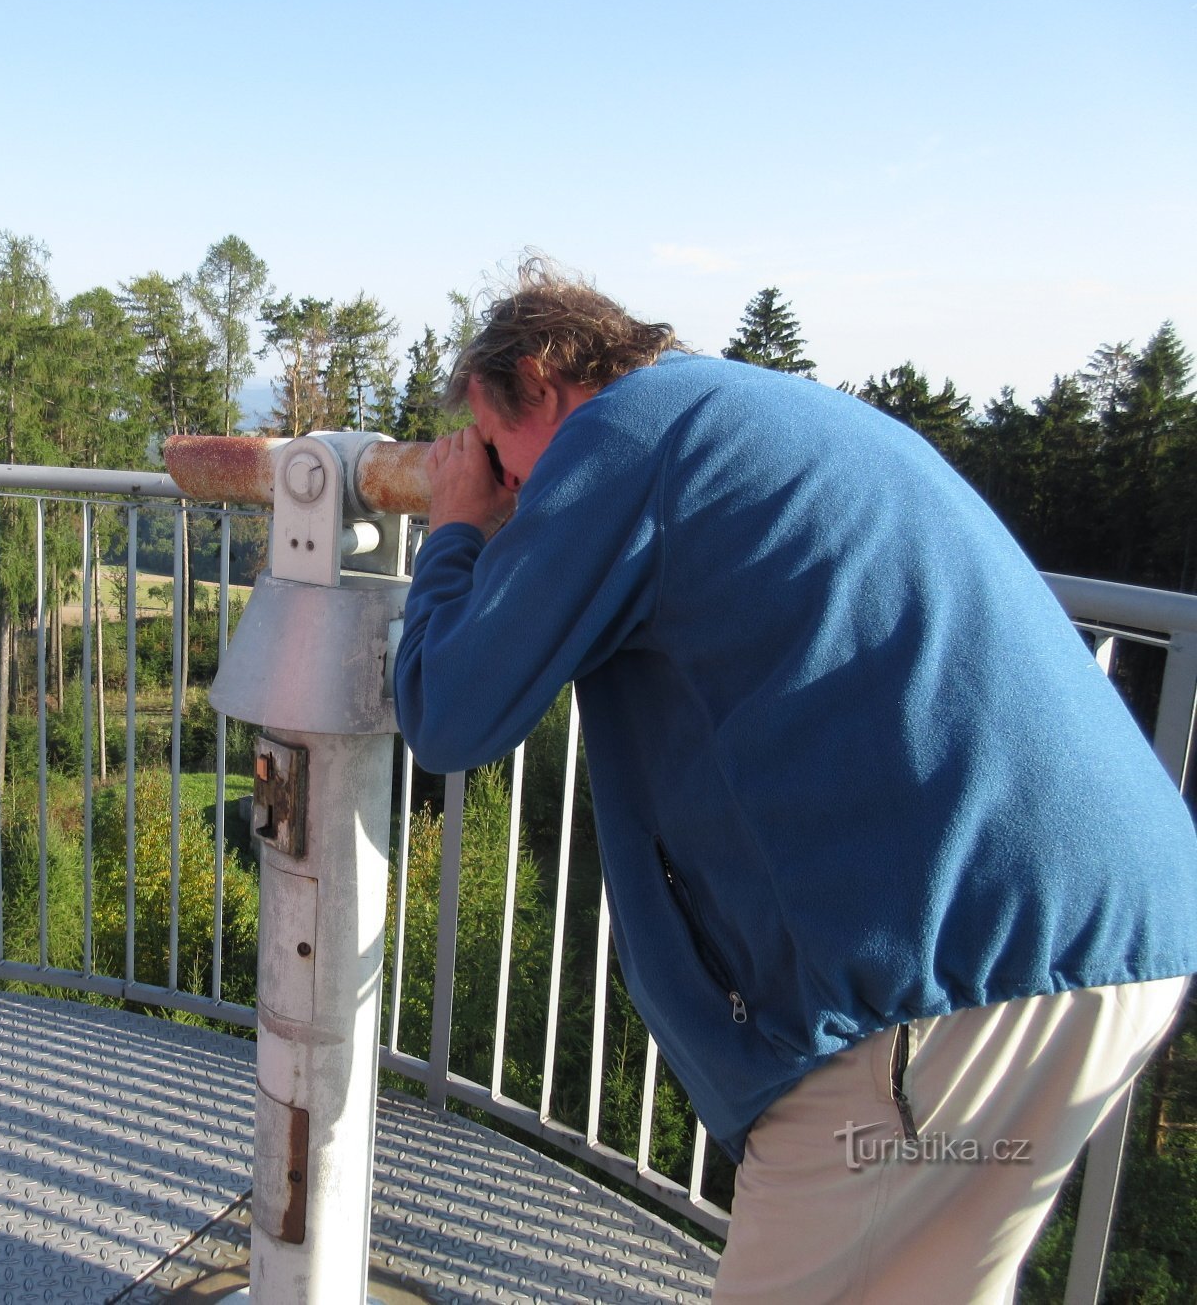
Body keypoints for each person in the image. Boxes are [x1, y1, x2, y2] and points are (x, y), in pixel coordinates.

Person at [392, 261, 1197, 1304]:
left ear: (539, 383)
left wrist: (456, 528)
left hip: (944, 981)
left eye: (501, 459)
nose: (516, 497)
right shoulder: (754, 412)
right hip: (1107, 932)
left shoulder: (624, 436)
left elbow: (450, 713)